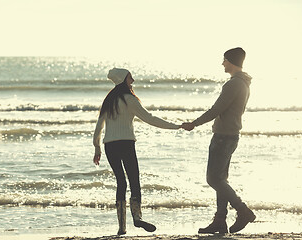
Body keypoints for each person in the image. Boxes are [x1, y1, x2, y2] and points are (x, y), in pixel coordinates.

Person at [93, 68, 181, 235]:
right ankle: (137, 218)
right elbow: (150, 119)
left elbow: (98, 128)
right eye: (130, 77)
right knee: (134, 180)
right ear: (123, 79)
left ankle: (122, 227)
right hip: (126, 144)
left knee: (121, 181)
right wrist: (176, 126)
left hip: (109, 146)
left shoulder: (108, 101)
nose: (132, 81)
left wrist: (97, 148)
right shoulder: (129, 100)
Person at [182, 47, 256, 234]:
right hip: (230, 135)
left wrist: (194, 123)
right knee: (221, 179)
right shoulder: (243, 83)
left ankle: (242, 210)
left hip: (223, 137)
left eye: (224, 60)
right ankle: (220, 220)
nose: (222, 63)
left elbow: (216, 109)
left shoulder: (233, 84)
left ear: (231, 61)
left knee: (213, 178)